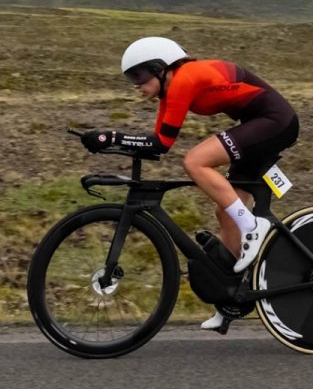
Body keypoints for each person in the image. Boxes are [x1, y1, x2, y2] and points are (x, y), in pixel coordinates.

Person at [81, 35, 299, 331]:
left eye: (139, 75)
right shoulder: (169, 91)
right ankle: (231, 298)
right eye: (131, 78)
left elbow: (163, 143)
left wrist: (110, 137)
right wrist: (110, 140)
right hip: (258, 124)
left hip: (275, 122)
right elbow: (158, 144)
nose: (136, 85)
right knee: (225, 213)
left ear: (160, 68)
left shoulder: (185, 79)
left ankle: (252, 226)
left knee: (195, 161)